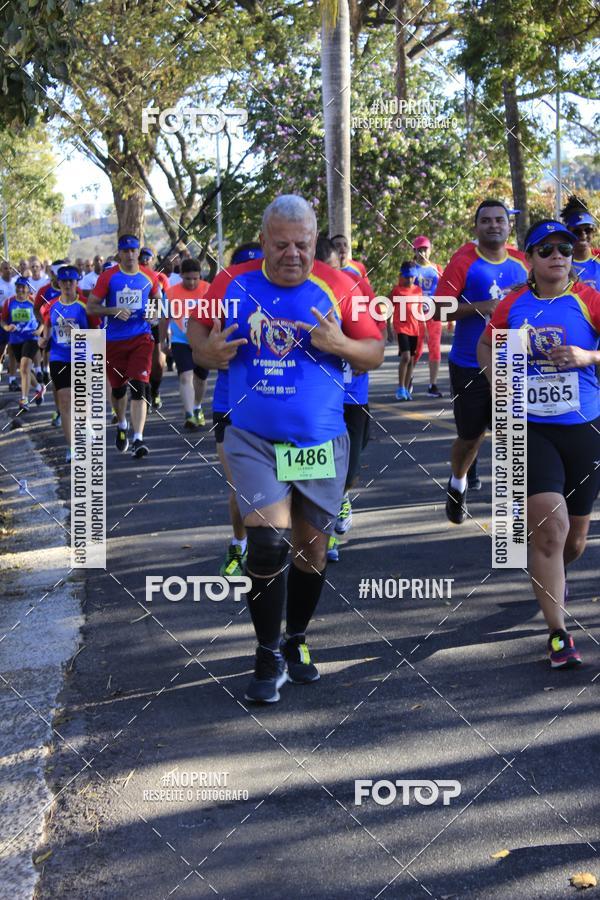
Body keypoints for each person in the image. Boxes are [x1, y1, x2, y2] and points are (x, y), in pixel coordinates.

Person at [188, 196, 384, 703]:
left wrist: (341, 344)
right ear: (263, 240)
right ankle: (266, 649)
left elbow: (375, 351)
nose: (292, 254)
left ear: (315, 242)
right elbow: (195, 327)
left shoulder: (342, 286)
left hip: (320, 442)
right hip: (253, 438)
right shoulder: (233, 281)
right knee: (267, 541)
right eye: (280, 245)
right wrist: (204, 351)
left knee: (311, 548)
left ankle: (296, 638)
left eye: (302, 244)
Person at [478, 219, 600, 668]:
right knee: (549, 528)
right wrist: (498, 385)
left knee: (576, 538)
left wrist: (588, 356)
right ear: (528, 258)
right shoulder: (512, 305)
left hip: (584, 426)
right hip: (529, 427)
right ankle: (558, 634)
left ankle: (552, 577)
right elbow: (487, 347)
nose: (557, 255)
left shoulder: (589, 300)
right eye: (545, 249)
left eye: (564, 248)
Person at [436, 199, 528, 523]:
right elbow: (437, 310)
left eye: (499, 220)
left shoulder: (523, 262)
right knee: (471, 438)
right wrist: (483, 305)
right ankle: (458, 483)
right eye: (486, 220)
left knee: (512, 439)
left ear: (508, 225)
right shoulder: (463, 262)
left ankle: (513, 518)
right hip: (468, 363)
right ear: (477, 227)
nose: (493, 225)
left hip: (512, 362)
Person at [314, 235, 378, 563]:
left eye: (330, 270)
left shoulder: (355, 287)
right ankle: (323, 537)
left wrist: (346, 346)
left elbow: (373, 340)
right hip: (317, 396)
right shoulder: (298, 292)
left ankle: (341, 498)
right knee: (321, 466)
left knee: (349, 467)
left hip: (354, 394)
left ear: (340, 261)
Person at [87, 235, 161, 458]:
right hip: (114, 342)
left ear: (138, 251)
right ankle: (121, 424)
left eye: (133, 250)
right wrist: (112, 310)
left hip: (141, 338)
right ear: (119, 253)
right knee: (118, 390)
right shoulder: (108, 277)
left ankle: (138, 438)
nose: (130, 254)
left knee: (139, 385)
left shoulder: (149, 276)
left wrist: (154, 314)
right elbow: (91, 307)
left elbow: (158, 301)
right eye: (125, 251)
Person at [39, 265, 97, 461]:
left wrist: (80, 335)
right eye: (63, 282)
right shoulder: (51, 306)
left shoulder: (85, 305)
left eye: (71, 281)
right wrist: (43, 339)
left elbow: (96, 333)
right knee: (64, 400)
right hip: (59, 356)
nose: (67, 285)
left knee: (81, 402)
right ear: (59, 283)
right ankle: (72, 447)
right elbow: (46, 329)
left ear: (76, 283)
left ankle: (86, 423)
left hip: (82, 356)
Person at [160, 257, 210, 428]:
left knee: (201, 379)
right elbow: (164, 318)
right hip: (180, 340)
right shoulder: (171, 293)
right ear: (181, 276)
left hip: (203, 340)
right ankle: (189, 415)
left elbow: (217, 315)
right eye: (188, 278)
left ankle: (197, 406)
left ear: (200, 276)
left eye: (195, 278)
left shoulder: (208, 290)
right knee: (185, 376)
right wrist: (162, 342)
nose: (192, 282)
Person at [1, 276, 45, 411]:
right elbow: (2, 320)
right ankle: (39, 387)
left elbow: (44, 320)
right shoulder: (9, 302)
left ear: (28, 289)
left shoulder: (33, 302)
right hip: (15, 340)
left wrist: (39, 331)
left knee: (25, 366)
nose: (20, 289)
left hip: (30, 338)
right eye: (18, 286)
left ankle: (24, 399)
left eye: (23, 287)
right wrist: (7, 328)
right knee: (24, 369)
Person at [412, 235, 445, 397]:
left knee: (435, 349)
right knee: (416, 350)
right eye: (420, 249)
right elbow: (404, 292)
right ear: (415, 251)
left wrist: (449, 316)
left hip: (433, 313)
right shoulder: (411, 268)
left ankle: (433, 385)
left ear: (430, 250)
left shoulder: (437, 269)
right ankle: (407, 379)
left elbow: (445, 292)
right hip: (414, 314)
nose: (423, 252)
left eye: (425, 249)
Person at [139, 247, 170, 410]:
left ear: (152, 261)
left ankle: (156, 390)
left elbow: (165, 300)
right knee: (142, 362)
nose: (144, 261)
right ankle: (144, 392)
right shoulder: (133, 278)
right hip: (138, 324)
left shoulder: (161, 278)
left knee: (158, 362)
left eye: (148, 258)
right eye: (142, 258)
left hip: (156, 322)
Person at [390, 262, 423, 401]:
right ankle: (400, 388)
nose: (410, 280)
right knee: (406, 357)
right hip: (401, 327)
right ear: (402, 276)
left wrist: (424, 327)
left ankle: (407, 388)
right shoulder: (397, 291)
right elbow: (387, 307)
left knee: (412, 360)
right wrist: (388, 327)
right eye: (407, 277)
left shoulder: (418, 290)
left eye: (412, 277)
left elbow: (420, 310)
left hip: (415, 328)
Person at [560, 196, 600, 290]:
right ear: (567, 233)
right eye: (577, 231)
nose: (583, 235)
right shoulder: (559, 263)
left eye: (588, 230)